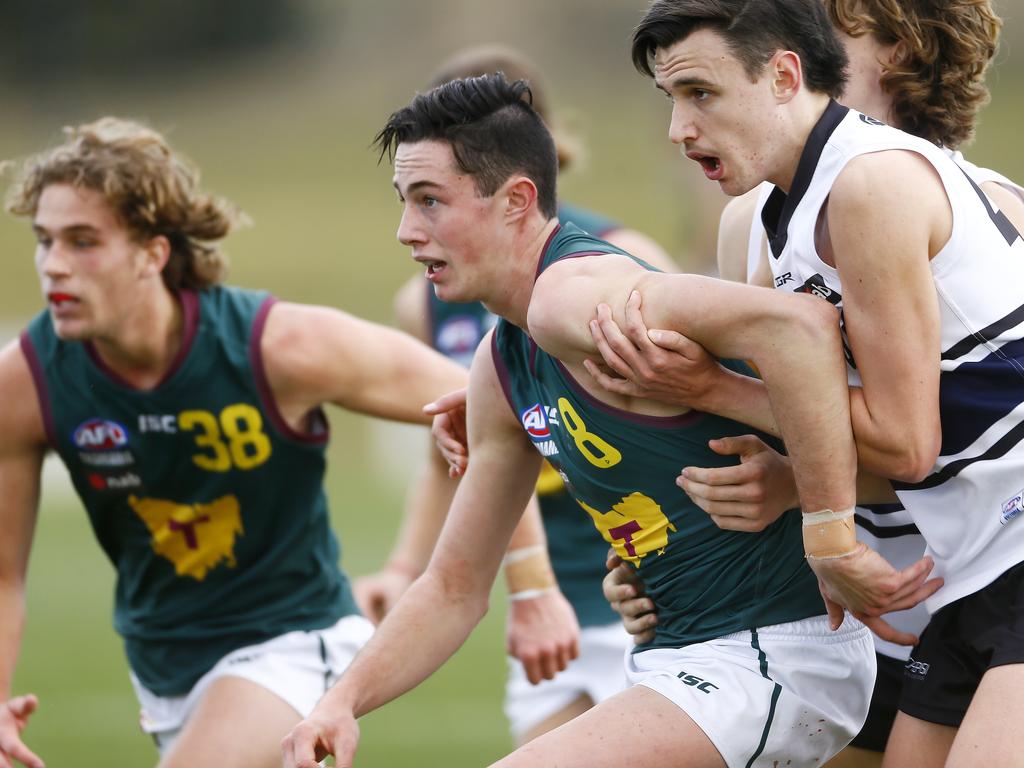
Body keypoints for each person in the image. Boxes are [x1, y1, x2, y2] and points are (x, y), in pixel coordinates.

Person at [281, 68, 943, 768]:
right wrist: (339, 703)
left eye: (430, 202)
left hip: (775, 657)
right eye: (404, 202)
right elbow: (454, 587)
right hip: (683, 660)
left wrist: (830, 537)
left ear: (516, 201)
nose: (406, 232)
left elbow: (799, 328)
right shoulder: (501, 364)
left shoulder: (572, 296)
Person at [0, 117, 573, 768]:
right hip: (163, 668)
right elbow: (2, 575)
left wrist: (532, 589)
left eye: (83, 242)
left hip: (295, 644)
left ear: (152, 253)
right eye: (44, 241)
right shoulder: (26, 382)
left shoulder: (277, 347)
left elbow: (495, 402)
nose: (54, 266)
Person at [587, 1, 1024, 765]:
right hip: (964, 567)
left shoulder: (872, 185)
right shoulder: (790, 206)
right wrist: (659, 551)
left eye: (702, 94)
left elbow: (906, 443)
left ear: (787, 72)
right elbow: (806, 447)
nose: (679, 129)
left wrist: (713, 388)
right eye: (672, 99)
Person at [354, 44, 677, 744]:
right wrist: (405, 568)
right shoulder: (430, 298)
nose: (412, 225)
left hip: (643, 588)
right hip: (550, 594)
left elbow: (701, 407)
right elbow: (460, 452)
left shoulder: (620, 261)